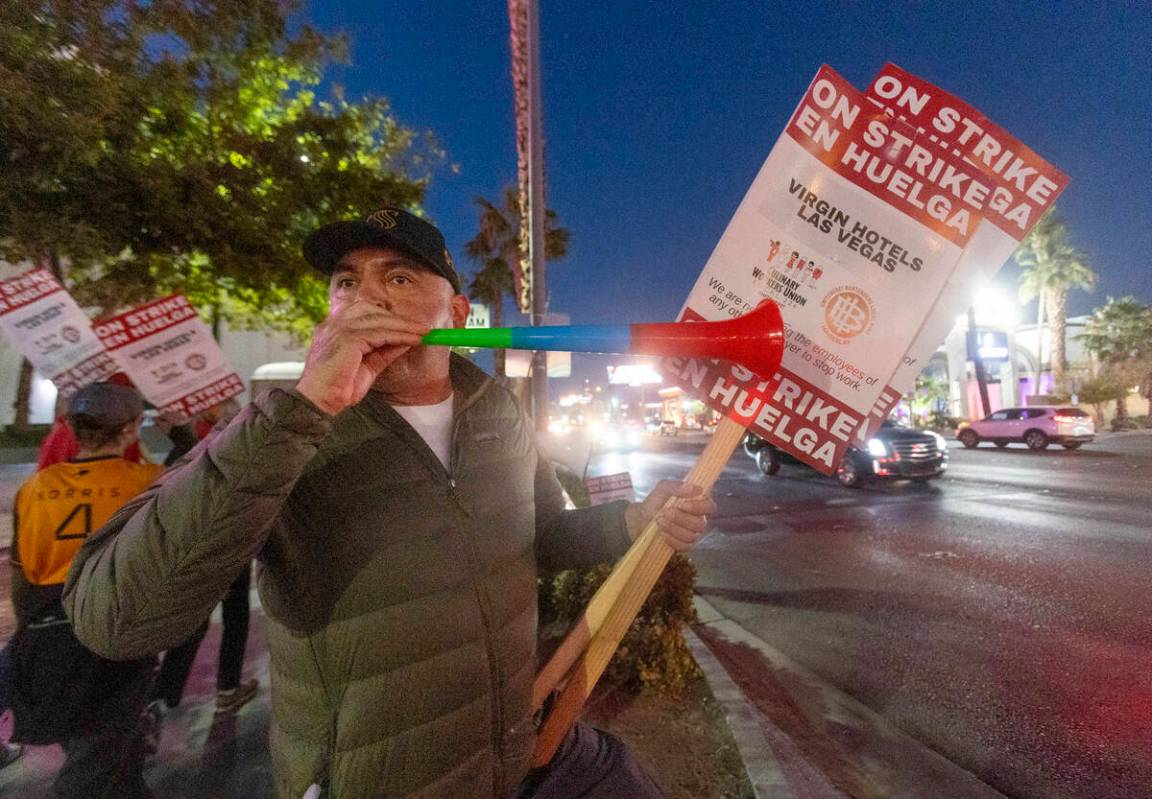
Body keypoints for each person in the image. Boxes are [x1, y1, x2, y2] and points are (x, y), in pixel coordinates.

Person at [63, 208, 715, 799]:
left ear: (456, 315)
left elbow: (539, 538)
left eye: (399, 278)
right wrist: (305, 408)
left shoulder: (497, 414)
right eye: (345, 282)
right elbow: (116, 615)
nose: (365, 297)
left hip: (510, 755)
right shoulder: (282, 430)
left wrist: (636, 521)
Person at [9, 382, 163, 798]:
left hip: (51, 633)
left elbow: (21, 576)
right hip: (117, 630)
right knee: (98, 761)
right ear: (131, 429)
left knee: (105, 753)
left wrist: (30, 635)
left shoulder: (35, 489)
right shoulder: (150, 483)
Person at [151, 398, 259, 714]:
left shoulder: (191, 448)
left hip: (203, 549)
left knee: (202, 621)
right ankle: (224, 688)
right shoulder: (234, 444)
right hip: (224, 546)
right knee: (230, 619)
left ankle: (166, 693)